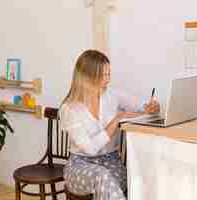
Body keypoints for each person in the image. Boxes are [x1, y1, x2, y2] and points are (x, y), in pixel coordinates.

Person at [60, 49, 160, 200]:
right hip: (79, 166)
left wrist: (151, 107)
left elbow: (142, 107)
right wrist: (116, 120)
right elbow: (91, 149)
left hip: (112, 162)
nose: (108, 79)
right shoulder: (69, 109)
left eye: (109, 74)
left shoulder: (113, 95)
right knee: (103, 177)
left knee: (137, 178)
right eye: (103, 75)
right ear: (87, 77)